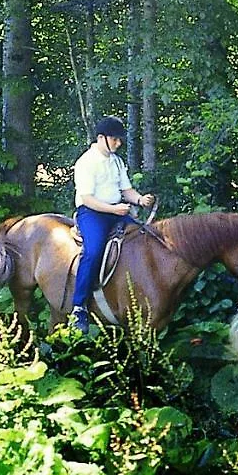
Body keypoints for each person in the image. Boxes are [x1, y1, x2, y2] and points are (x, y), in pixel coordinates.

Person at [70, 116, 154, 331]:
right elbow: (87, 198)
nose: (119, 143)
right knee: (93, 251)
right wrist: (114, 209)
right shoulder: (86, 163)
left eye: (119, 139)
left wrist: (140, 199)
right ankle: (79, 307)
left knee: (142, 237)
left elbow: (126, 190)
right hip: (91, 213)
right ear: (101, 138)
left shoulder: (116, 161)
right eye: (115, 139)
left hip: (115, 210)